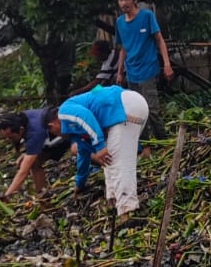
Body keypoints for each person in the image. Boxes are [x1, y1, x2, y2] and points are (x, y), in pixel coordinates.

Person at [51, 84, 150, 217]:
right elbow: (83, 156)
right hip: (132, 106)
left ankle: (127, 211)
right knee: (109, 160)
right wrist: (79, 184)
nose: (58, 135)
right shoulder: (77, 133)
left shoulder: (64, 110)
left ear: (52, 125)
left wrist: (99, 145)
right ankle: (113, 202)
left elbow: (85, 116)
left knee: (117, 164)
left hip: (122, 107)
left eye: (53, 132)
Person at [115, 0, 173, 138]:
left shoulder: (147, 16)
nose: (123, 3)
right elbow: (123, 49)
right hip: (131, 73)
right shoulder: (119, 22)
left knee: (152, 110)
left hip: (148, 70)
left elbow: (160, 40)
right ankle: (145, 145)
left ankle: (163, 141)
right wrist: (120, 73)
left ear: (135, 0)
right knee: (136, 111)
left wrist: (167, 64)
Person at [0, 110, 71, 199]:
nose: (9, 140)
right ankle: (42, 193)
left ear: (21, 130)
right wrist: (27, 154)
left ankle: (42, 194)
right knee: (34, 162)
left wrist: (6, 196)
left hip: (64, 132)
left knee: (31, 163)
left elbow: (23, 172)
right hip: (50, 133)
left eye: (11, 137)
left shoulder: (34, 133)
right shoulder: (23, 117)